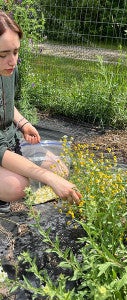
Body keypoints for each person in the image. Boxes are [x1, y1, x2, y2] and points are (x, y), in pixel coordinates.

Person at [0, 11, 82, 213]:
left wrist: (23, 124)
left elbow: (7, 104)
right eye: (3, 55)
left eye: (16, 52)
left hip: (8, 144)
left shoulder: (9, 70)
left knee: (60, 168)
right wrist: (48, 178)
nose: (12, 61)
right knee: (18, 187)